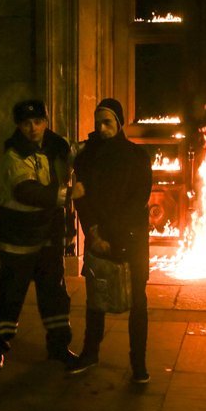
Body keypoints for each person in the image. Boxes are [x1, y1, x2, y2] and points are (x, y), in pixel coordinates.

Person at [0, 99, 83, 369]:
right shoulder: (14, 155)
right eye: (27, 123)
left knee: (55, 294)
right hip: (18, 236)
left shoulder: (57, 147)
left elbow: (78, 155)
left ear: (46, 122)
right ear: (19, 125)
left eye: (38, 122)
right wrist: (68, 194)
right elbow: (26, 192)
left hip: (48, 235)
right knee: (11, 294)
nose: (33, 128)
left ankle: (59, 346)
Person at [68, 98, 153, 383]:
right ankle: (90, 352)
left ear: (119, 123)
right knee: (96, 297)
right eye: (98, 124)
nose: (102, 129)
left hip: (131, 237)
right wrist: (94, 232)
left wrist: (114, 235)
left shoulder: (137, 157)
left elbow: (138, 198)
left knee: (138, 300)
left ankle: (138, 363)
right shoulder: (86, 157)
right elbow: (82, 197)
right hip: (99, 236)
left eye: (108, 123)